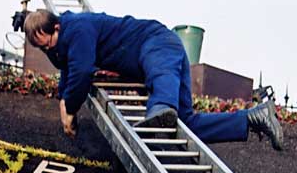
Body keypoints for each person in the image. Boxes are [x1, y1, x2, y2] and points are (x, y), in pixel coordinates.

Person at [24, 10, 283, 150]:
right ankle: (252, 119)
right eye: (41, 48)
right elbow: (68, 64)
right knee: (186, 124)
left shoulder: (77, 28)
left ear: (56, 28)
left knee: (161, 79)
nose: (48, 50)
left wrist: (68, 107)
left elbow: (80, 70)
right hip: (161, 53)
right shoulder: (64, 40)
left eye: (47, 42)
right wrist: (63, 99)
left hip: (155, 42)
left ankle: (160, 109)